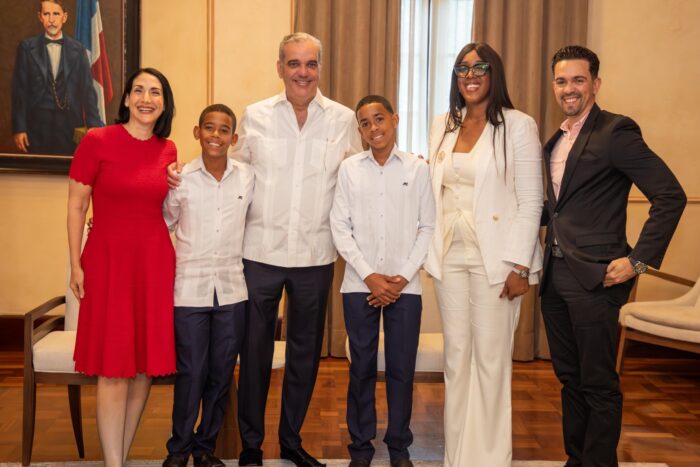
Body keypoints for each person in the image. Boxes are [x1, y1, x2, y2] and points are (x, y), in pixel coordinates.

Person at [168, 32, 362, 467]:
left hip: (316, 255)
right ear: (279, 68)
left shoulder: (343, 119)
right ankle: (251, 446)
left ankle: (291, 441)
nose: (302, 72)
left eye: (310, 64)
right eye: (294, 63)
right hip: (258, 255)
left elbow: (357, 178)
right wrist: (177, 180)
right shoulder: (255, 116)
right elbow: (227, 174)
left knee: (304, 356)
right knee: (254, 353)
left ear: (320, 68)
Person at [540, 45, 686, 467]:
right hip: (554, 277)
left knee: (598, 382)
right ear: (553, 86)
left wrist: (637, 261)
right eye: (562, 81)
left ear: (596, 84)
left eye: (578, 79)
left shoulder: (615, 132)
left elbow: (670, 196)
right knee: (569, 378)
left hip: (597, 278)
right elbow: (554, 210)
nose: (569, 88)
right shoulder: (556, 140)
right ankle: (577, 459)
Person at [423, 42, 543, 467]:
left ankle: (489, 459)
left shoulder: (518, 125)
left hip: (498, 260)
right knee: (457, 359)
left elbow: (531, 201)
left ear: (495, 73)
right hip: (449, 255)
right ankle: (457, 457)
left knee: (491, 362)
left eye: (479, 67)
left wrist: (520, 265)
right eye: (462, 68)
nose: (470, 75)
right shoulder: (442, 124)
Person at [67, 67, 177, 467]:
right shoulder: (97, 140)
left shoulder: (169, 150)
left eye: (155, 92)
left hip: (154, 264)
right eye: (139, 91)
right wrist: (76, 264)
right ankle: (114, 464)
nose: (147, 99)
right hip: (108, 263)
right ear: (127, 98)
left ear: (164, 104)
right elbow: (77, 205)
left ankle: (120, 458)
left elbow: (171, 209)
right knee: (114, 368)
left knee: (144, 368)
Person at [330, 95, 436, 467]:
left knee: (401, 369)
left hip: (405, 288)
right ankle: (360, 447)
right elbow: (339, 227)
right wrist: (371, 276)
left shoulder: (417, 169)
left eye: (379, 119)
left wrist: (401, 277)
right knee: (360, 368)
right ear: (359, 130)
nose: (373, 127)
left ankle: (399, 447)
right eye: (365, 123)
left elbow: (428, 226)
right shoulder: (349, 170)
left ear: (394, 119)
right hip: (359, 285)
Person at [161, 104, 254, 467]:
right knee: (192, 371)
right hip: (189, 290)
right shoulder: (180, 178)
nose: (216, 135)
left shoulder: (247, 177)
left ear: (234, 137)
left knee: (221, 372)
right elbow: (161, 223)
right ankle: (178, 449)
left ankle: (204, 448)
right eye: (209, 128)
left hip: (232, 289)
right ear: (197, 132)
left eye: (224, 129)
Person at [12, 0, 102, 155]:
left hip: (69, 125)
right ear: (40, 17)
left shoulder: (78, 49)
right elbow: (19, 91)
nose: (51, 19)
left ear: (64, 17)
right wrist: (19, 128)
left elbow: (87, 90)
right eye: (46, 14)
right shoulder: (26, 48)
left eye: (56, 14)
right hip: (36, 126)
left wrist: (94, 126)